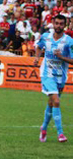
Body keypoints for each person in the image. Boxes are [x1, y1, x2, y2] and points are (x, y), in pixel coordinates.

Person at [33, 14, 73, 143]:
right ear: (53, 24)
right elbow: (39, 46)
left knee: (51, 103)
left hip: (61, 77)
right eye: (57, 23)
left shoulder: (69, 41)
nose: (59, 26)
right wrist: (37, 58)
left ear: (65, 25)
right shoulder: (46, 37)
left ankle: (43, 128)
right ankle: (60, 133)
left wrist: (61, 57)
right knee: (56, 101)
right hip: (47, 74)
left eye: (61, 24)